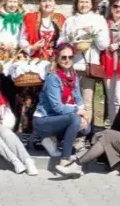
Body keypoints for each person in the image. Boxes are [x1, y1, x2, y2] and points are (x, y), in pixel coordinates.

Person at [32, 46, 87, 177]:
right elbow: (57, 107)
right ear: (57, 59)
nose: (67, 60)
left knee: (86, 128)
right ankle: (64, 163)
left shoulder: (73, 75)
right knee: (75, 119)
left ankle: (51, 140)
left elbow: (78, 98)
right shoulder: (53, 78)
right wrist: (77, 111)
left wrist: (83, 112)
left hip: (59, 118)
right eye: (63, 57)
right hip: (43, 120)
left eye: (70, 57)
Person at [58, 0, 109, 129]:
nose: (84, 4)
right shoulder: (70, 20)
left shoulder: (99, 20)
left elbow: (104, 45)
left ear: (92, 4)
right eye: (81, 2)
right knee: (71, 101)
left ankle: (84, 132)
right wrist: (70, 45)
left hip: (88, 66)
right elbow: (60, 41)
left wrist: (93, 34)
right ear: (76, 4)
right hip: (71, 66)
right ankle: (71, 130)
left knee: (86, 102)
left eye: (87, 2)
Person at [18, 0, 66, 135]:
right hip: (35, 63)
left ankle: (46, 136)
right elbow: (21, 39)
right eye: (44, 0)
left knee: (52, 100)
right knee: (29, 99)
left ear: (55, 3)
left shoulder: (61, 19)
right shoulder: (30, 18)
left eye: (50, 0)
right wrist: (32, 47)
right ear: (39, 3)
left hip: (54, 65)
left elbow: (65, 39)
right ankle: (26, 132)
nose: (47, 3)